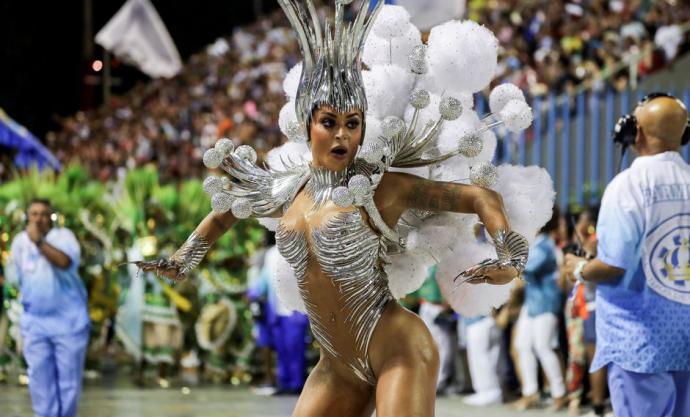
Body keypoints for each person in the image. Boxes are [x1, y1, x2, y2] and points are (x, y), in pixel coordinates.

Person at [137, 2, 549, 415]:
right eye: (329, 122)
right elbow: (228, 209)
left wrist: (510, 259)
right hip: (336, 366)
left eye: (353, 123)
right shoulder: (284, 188)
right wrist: (183, 258)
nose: (342, 135)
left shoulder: (379, 187)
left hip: (397, 349)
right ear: (307, 122)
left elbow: (481, 197)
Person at [564, 94, 690, 417]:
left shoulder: (629, 185)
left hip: (638, 341)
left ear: (635, 133)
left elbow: (613, 266)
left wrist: (579, 267)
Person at [9, 199, 89, 417]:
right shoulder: (18, 242)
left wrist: (39, 243)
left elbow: (65, 262)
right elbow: (17, 279)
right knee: (39, 383)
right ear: (27, 217)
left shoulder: (64, 237)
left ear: (51, 217)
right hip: (35, 324)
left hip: (69, 324)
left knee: (68, 384)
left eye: (44, 214)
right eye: (34, 214)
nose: (38, 218)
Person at [512, 208, 566, 411]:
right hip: (532, 303)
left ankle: (559, 394)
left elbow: (526, 268)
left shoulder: (545, 244)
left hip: (545, 303)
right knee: (523, 345)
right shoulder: (536, 242)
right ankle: (531, 392)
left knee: (544, 347)